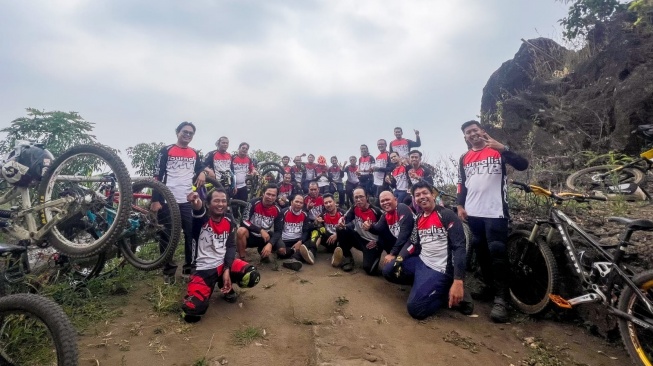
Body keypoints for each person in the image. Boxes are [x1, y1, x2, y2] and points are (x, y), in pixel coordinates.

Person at [456, 120, 528, 323]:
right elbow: (462, 183)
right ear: (465, 137)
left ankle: (501, 298)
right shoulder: (464, 158)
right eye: (468, 133)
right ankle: (489, 287)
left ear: (482, 132)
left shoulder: (497, 150)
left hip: (495, 211)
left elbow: (522, 165)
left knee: (498, 252)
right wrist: (460, 206)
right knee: (481, 251)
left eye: (474, 130)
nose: (472, 134)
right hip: (473, 212)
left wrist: (504, 148)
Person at [382, 181, 472, 319]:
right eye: (417, 195)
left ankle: (445, 293)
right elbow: (413, 243)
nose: (422, 197)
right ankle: (425, 287)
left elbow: (459, 248)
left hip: (440, 269)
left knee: (415, 309)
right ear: (414, 199)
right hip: (422, 262)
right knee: (389, 270)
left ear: (433, 195)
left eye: (425, 193)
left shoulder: (447, 215)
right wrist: (399, 258)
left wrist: (458, 280)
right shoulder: (418, 219)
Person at [181, 188, 261, 323]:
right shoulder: (201, 219)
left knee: (252, 276)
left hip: (223, 263)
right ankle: (209, 286)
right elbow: (198, 209)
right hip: (203, 269)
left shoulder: (229, 219)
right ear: (208, 204)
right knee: (192, 313)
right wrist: (196, 200)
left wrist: (227, 269)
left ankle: (222, 283)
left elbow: (231, 246)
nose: (220, 204)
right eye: (216, 200)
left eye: (223, 201)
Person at [153, 121, 204, 284]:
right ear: (177, 132)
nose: (187, 135)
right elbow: (157, 177)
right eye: (185, 132)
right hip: (167, 200)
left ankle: (189, 267)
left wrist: (202, 172)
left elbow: (200, 169)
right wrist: (156, 200)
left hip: (186, 200)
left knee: (191, 234)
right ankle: (168, 270)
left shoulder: (194, 153)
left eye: (191, 133)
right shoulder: (166, 150)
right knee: (166, 236)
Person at [362, 191, 415, 269]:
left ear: (395, 200)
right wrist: (369, 227)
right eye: (382, 201)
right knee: (382, 234)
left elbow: (405, 233)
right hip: (402, 244)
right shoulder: (386, 215)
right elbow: (377, 229)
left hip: (413, 243)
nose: (385, 202)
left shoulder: (402, 208)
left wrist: (393, 253)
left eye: (387, 199)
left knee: (390, 270)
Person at [337, 187, 383, 274]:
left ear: (367, 197)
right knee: (340, 229)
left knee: (369, 270)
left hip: (371, 243)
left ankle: (376, 255)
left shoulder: (376, 211)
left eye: (361, 197)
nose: (358, 200)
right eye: (356, 197)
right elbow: (345, 218)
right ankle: (347, 257)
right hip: (358, 238)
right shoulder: (354, 207)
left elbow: (385, 231)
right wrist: (341, 221)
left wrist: (378, 242)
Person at [236, 184, 282, 261]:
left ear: (276, 197)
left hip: (265, 237)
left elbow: (278, 231)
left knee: (282, 250)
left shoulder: (278, 210)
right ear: (263, 193)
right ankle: (242, 258)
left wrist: (270, 244)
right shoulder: (253, 203)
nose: (270, 197)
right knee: (241, 231)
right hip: (251, 234)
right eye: (268, 194)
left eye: (273, 195)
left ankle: (263, 251)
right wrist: (260, 230)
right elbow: (244, 221)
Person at [270, 194, 313, 271]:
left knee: (311, 243)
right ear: (291, 202)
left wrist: (300, 241)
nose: (298, 204)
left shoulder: (305, 214)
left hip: (298, 240)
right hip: (285, 240)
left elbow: (306, 231)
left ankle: (294, 259)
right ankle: (299, 255)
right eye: (296, 202)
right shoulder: (283, 212)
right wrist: (280, 244)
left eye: (301, 203)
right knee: (281, 252)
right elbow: (277, 230)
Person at [309, 194, 345, 266]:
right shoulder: (323, 214)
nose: (328, 204)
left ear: (334, 202)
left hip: (340, 241)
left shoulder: (343, 213)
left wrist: (337, 235)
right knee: (317, 230)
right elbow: (314, 226)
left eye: (330, 202)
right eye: (326, 203)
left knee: (342, 231)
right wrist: (316, 222)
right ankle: (311, 253)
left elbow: (350, 229)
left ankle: (336, 257)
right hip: (328, 240)